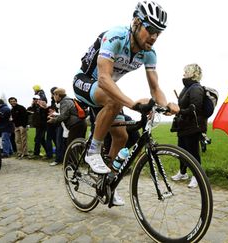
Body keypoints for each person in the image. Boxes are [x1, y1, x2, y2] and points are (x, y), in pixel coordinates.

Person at [72, 1, 178, 206]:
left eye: (160, 33)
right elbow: (104, 78)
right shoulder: (116, 36)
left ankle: (107, 184)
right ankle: (93, 151)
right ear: (137, 23)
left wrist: (166, 105)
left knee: (121, 136)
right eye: (151, 30)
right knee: (115, 99)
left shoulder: (149, 53)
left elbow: (155, 88)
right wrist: (132, 104)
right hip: (85, 82)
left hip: (106, 93)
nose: (155, 37)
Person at [170, 64, 207, 188]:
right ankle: (183, 173)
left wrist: (179, 111)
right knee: (181, 151)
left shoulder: (196, 88)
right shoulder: (186, 88)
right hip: (183, 125)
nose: (183, 74)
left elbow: (194, 109)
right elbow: (183, 106)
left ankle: (197, 176)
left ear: (192, 73)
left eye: (185, 71)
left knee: (193, 152)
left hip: (192, 127)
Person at [48, 88, 87, 161]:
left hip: (76, 125)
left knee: (71, 144)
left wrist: (53, 120)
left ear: (58, 95)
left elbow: (64, 116)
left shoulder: (65, 102)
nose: (53, 97)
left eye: (54, 95)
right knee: (80, 144)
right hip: (80, 123)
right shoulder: (68, 100)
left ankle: (73, 164)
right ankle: (87, 160)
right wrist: (55, 116)